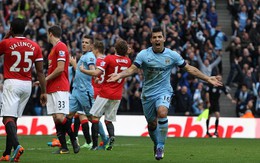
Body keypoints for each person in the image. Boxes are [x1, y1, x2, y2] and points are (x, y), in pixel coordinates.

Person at [107, 26, 222, 160]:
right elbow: (132, 69)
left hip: (164, 91)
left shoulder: (172, 55)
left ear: (164, 39)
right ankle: (156, 143)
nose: (157, 39)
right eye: (154, 37)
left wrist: (207, 78)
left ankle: (161, 145)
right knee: (152, 124)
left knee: (162, 112)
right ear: (151, 40)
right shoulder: (143, 55)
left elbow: (189, 69)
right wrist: (119, 75)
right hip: (148, 94)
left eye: (159, 37)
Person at [0, 18, 47, 162]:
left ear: (11, 29)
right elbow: (40, 72)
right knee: (13, 119)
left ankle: (17, 146)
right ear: (25, 28)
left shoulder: (6, 43)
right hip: (27, 84)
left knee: (7, 118)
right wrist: (44, 91)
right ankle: (7, 153)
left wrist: (7, 36)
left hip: (12, 83)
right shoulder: (34, 46)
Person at [79, 39, 131, 150]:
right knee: (108, 120)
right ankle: (111, 136)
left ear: (115, 49)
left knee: (95, 118)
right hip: (117, 95)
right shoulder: (128, 61)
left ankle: (94, 145)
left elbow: (97, 73)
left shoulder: (109, 58)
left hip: (105, 92)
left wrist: (83, 70)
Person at [67, 35, 108, 150]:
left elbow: (92, 70)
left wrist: (85, 70)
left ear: (91, 46)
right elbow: (80, 72)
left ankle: (105, 139)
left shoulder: (89, 56)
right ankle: (72, 140)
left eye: (86, 43)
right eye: (83, 42)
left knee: (91, 117)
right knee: (69, 115)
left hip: (85, 92)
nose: (84, 44)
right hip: (76, 91)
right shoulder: (84, 56)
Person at [46, 25, 79, 154]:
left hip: (60, 86)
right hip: (51, 88)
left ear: (50, 34)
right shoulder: (53, 50)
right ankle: (64, 147)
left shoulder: (61, 47)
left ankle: (73, 140)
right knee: (55, 118)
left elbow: (60, 69)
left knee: (60, 117)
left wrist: (45, 79)